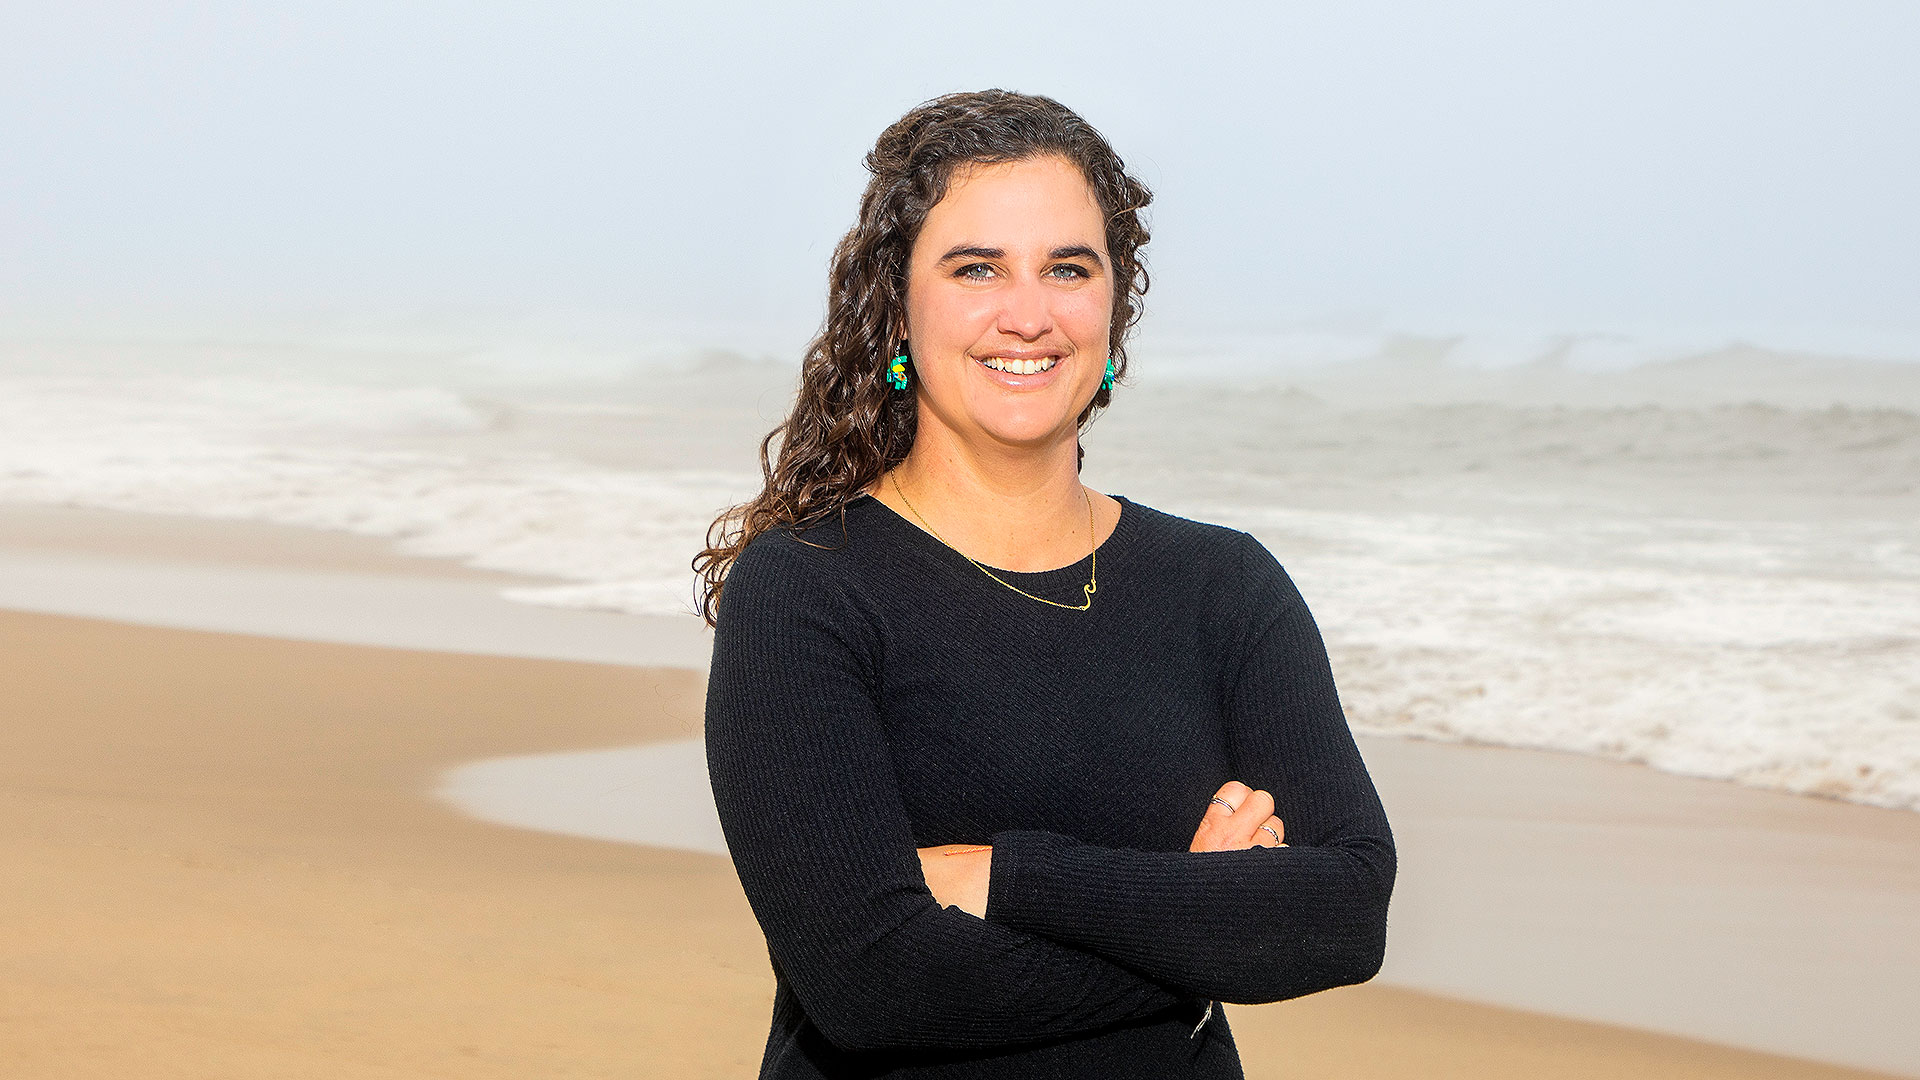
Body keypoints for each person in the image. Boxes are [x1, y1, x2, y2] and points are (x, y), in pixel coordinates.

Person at [695, 89, 1395, 1079]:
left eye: (1068, 268)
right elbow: (873, 985)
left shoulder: (1223, 587)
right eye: (976, 268)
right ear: (898, 304)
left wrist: (1012, 878)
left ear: (1114, 305)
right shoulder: (808, 589)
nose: (1027, 313)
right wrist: (1196, 919)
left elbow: (1346, 912)